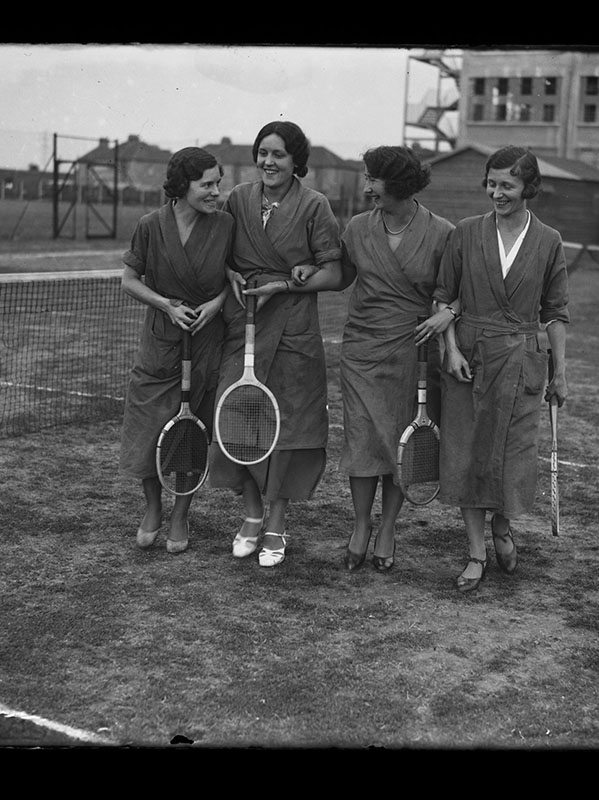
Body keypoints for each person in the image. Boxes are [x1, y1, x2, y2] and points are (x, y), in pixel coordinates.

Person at [433, 145, 570, 592]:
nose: (497, 193)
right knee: (466, 455)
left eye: (507, 185)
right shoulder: (466, 232)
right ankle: (475, 553)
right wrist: (449, 349)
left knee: (513, 459)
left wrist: (560, 373)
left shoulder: (549, 241)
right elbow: (443, 296)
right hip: (468, 361)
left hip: (524, 362)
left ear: (528, 187)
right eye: (491, 184)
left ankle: (502, 526)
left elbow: (555, 314)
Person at [208, 120, 343, 568]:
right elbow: (219, 254)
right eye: (263, 152)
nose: (268, 162)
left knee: (289, 427)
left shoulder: (315, 205)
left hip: (293, 329)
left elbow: (335, 273)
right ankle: (250, 513)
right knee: (234, 419)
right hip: (242, 323)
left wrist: (286, 285)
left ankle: (276, 523)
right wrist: (227, 272)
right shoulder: (238, 199)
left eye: (279, 154)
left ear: (295, 161)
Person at [336, 145, 456, 572]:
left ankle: (387, 528)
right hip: (362, 351)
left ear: (399, 185)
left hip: (414, 352)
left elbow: (453, 292)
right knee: (363, 441)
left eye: (373, 179)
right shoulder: (354, 228)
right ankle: (360, 526)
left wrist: (448, 313)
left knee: (400, 445)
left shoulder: (443, 232)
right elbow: (339, 276)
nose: (366, 187)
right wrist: (290, 279)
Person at [119, 147, 233, 554]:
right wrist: (165, 304)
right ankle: (152, 508)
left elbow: (231, 279)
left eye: (218, 183)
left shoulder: (225, 226)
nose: (216, 192)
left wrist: (216, 304)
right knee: (146, 433)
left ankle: (181, 514)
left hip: (206, 343)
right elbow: (129, 279)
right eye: (207, 184)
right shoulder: (150, 226)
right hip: (160, 346)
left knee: (191, 434)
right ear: (183, 186)